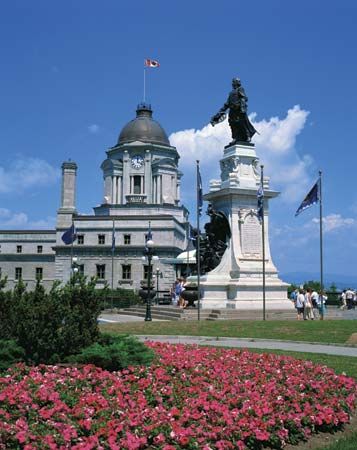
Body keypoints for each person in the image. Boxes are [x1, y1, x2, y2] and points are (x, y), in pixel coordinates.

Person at [211, 78, 257, 145]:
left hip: (238, 110)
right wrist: (219, 114)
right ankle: (235, 138)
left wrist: (242, 107)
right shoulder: (231, 93)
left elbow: (244, 98)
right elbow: (227, 104)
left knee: (242, 124)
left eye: (234, 82)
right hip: (232, 111)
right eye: (233, 82)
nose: (233, 83)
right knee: (233, 124)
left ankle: (247, 136)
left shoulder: (240, 89)